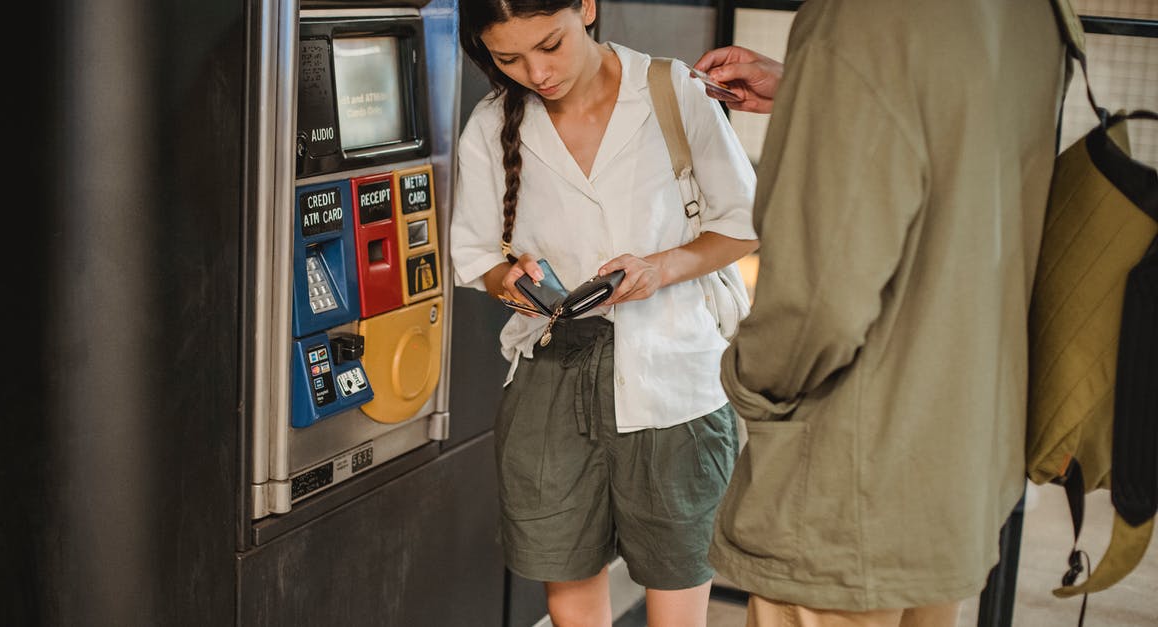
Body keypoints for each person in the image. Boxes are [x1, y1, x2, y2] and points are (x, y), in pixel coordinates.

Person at [694, 0, 1069, 625]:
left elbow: (818, 306)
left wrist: (746, 382)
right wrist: (815, 87)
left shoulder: (861, 18)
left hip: (848, 486)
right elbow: (962, 144)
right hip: (957, 458)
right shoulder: (1032, 12)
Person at [450, 0, 759, 624]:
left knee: (678, 584)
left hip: (675, 380)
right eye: (508, 59)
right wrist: (510, 279)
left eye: (550, 45)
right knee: (567, 582)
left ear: (585, 8)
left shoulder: (674, 91)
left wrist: (660, 268)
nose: (536, 73)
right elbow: (478, 255)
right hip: (551, 377)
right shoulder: (490, 123)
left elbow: (745, 224)